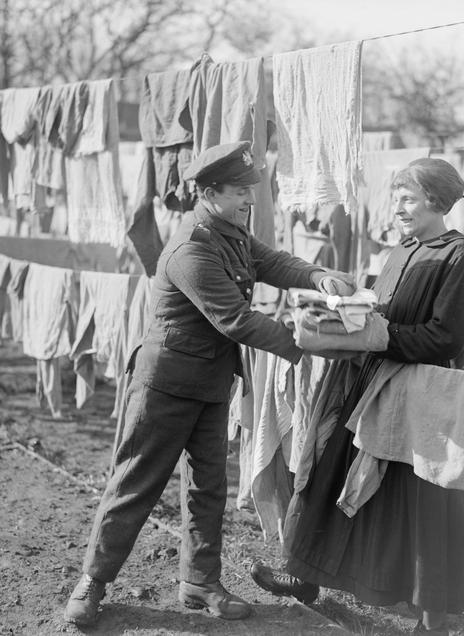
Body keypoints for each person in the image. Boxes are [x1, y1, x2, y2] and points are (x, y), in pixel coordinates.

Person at [64, 140, 355, 626]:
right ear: (209, 193)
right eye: (240, 191)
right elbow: (235, 320)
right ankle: (92, 581)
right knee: (135, 485)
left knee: (208, 488)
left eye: (250, 190)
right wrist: (311, 342)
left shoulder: (229, 232)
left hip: (212, 383)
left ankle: (200, 582)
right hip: (166, 385)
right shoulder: (191, 247)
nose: (250, 199)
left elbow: (271, 261)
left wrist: (318, 276)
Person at [250, 157, 464, 635]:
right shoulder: (401, 250)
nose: (397, 208)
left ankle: (432, 619)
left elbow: (445, 337)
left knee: (421, 501)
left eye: (408, 200)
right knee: (328, 469)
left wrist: (378, 334)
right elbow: (382, 311)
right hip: (365, 378)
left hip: (419, 393)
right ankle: (303, 575)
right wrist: (346, 314)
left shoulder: (460, 257)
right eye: (396, 198)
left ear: (437, 201)